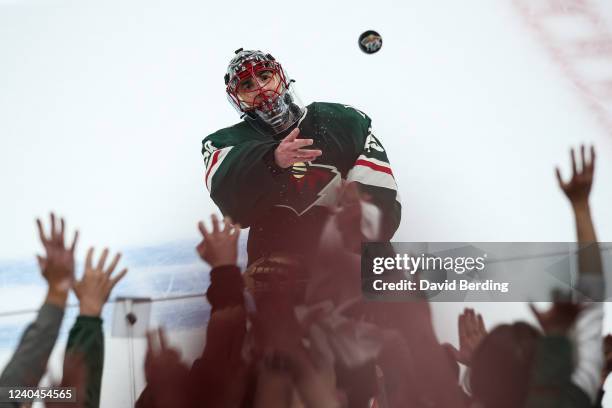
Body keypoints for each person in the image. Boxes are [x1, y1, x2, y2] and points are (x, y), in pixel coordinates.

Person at [201, 49, 401, 265]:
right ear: (238, 98)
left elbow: (383, 208)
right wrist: (271, 159)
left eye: (265, 76)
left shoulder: (343, 122)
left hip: (356, 267)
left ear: (281, 77)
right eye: (247, 85)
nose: (260, 88)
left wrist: (353, 229)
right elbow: (235, 210)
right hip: (279, 276)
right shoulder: (228, 142)